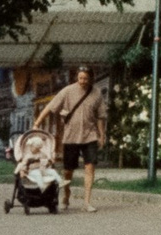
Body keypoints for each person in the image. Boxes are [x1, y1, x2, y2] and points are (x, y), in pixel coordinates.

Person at [34, 66, 107, 213]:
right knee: (68, 171)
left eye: (85, 79)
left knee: (90, 167)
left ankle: (87, 202)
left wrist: (101, 134)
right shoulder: (67, 91)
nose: (82, 81)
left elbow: (100, 116)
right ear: (77, 78)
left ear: (91, 79)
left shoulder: (96, 93)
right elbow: (50, 107)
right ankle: (66, 194)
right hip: (71, 137)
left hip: (90, 136)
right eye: (80, 78)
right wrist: (37, 123)